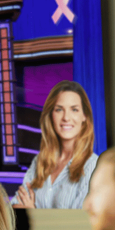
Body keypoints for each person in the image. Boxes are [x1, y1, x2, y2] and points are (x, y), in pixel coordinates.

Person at [14, 80, 98, 209]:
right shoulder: (39, 161)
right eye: (59, 109)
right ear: (51, 115)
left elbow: (80, 223)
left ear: (84, 116)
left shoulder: (92, 166)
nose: (66, 118)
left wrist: (33, 213)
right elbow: (15, 207)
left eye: (74, 110)